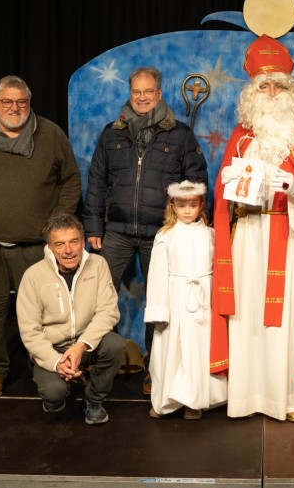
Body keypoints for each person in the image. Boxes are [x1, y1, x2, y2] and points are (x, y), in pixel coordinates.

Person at [211, 34, 294, 422]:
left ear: (289, 92)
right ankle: (247, 396)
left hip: (289, 236)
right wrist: (229, 185)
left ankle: (289, 398)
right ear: (252, 92)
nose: (270, 93)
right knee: (247, 315)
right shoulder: (241, 137)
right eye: (263, 86)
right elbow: (223, 196)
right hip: (248, 236)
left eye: (277, 86)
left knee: (286, 319)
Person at [0, 75, 81, 399]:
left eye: (21, 102)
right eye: (7, 101)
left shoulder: (50, 134)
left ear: (29, 103)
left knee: (45, 314)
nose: (14, 108)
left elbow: (70, 181)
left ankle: (47, 368)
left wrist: (56, 230)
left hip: (35, 246)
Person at [82, 66, 207, 395]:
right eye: (136, 92)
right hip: (116, 231)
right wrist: (93, 225)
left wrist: (185, 226)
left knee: (161, 302)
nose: (141, 98)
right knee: (98, 296)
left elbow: (197, 181)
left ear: (159, 93)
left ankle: (157, 366)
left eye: (148, 91)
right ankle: (98, 362)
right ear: (130, 93)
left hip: (162, 233)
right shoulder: (112, 133)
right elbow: (96, 181)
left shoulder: (179, 134)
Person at [16, 213, 125, 425]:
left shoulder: (98, 264)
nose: (68, 250)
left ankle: (93, 399)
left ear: (83, 242)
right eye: (60, 244)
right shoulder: (33, 275)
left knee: (115, 345)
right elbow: (30, 331)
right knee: (54, 394)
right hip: (53, 347)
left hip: (86, 343)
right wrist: (57, 361)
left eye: (74, 242)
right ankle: (53, 384)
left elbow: (108, 311)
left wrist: (80, 346)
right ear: (50, 247)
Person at [145, 181, 227, 420]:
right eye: (182, 206)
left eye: (193, 205)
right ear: (173, 206)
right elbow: (157, 274)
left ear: (201, 205)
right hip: (175, 299)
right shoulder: (166, 236)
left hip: (202, 302)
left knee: (199, 351)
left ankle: (195, 402)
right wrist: (159, 310)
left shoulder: (211, 234)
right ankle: (166, 401)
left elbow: (218, 272)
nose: (188, 210)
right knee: (172, 350)